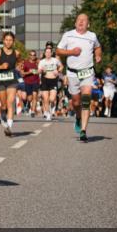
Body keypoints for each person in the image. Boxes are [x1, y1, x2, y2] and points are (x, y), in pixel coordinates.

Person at [56, 13, 102, 143]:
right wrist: (71, 52)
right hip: (72, 73)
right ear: (75, 23)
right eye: (79, 20)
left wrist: (98, 55)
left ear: (88, 24)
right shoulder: (68, 35)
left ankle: (83, 131)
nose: (81, 22)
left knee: (86, 99)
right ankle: (78, 117)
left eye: (84, 20)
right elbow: (58, 51)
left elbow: (98, 47)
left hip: (87, 72)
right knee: (76, 102)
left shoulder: (92, 36)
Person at [0, 31, 20, 137]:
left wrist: (19, 67)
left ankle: (9, 127)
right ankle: (3, 115)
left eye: (10, 40)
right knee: (4, 105)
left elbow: (19, 62)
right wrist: (1, 67)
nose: (8, 42)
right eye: (6, 40)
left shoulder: (16, 53)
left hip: (12, 81)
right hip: (1, 81)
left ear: (13, 41)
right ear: (3, 41)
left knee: (10, 103)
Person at [38, 45, 62, 121]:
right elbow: (39, 71)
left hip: (53, 81)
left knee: (52, 99)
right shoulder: (42, 62)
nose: (48, 54)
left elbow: (61, 66)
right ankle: (48, 114)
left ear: (51, 53)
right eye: (46, 52)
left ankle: (52, 109)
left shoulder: (55, 60)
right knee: (45, 99)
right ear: (44, 53)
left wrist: (58, 71)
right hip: (45, 81)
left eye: (49, 52)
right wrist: (42, 71)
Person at [22, 50, 40, 117]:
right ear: (29, 56)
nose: (32, 56)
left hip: (36, 81)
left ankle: (32, 111)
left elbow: (41, 70)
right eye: (31, 55)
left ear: (35, 56)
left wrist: (38, 71)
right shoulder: (25, 63)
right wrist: (29, 72)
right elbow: (22, 73)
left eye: (34, 55)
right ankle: (28, 104)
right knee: (29, 98)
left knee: (35, 96)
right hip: (27, 82)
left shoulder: (37, 63)